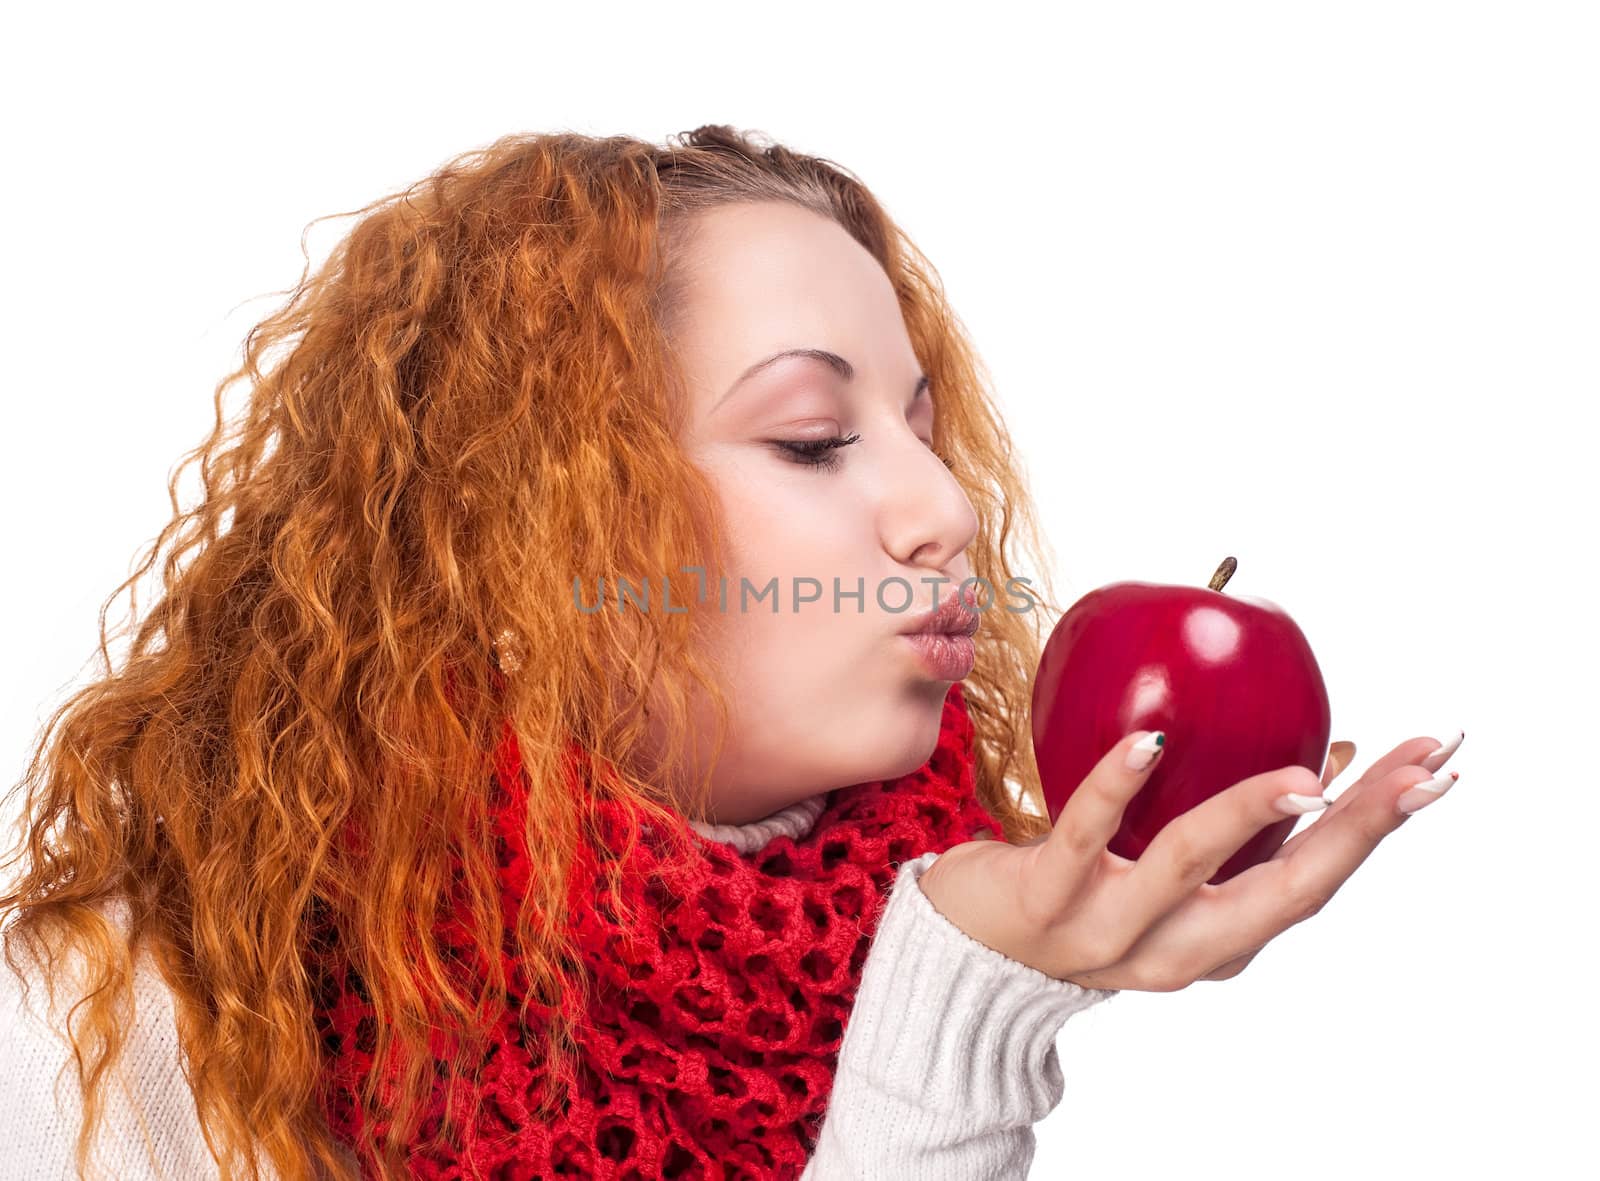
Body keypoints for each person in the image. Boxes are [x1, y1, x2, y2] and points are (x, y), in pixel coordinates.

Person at [0, 125, 1464, 1181]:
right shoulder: (108, 1029)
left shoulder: (942, 929)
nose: (949, 510)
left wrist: (967, 1001)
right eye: (814, 438)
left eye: (924, 431)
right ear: (528, 538)